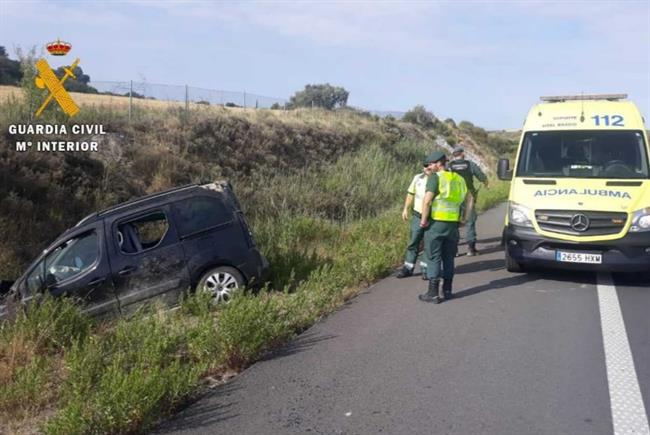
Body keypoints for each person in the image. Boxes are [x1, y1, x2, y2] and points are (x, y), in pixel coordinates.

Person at [419, 151, 467, 303]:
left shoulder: (435, 178)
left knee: (434, 257)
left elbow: (427, 201)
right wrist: (462, 219)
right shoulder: (458, 179)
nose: (429, 166)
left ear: (439, 163)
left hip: (436, 224)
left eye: (432, 164)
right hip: (452, 225)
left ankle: (432, 293)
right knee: (448, 258)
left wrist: (423, 220)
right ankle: (447, 291)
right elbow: (466, 201)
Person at [396, 157, 435, 279]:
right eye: (425, 165)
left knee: (429, 243)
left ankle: (425, 269)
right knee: (413, 241)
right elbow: (410, 194)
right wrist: (405, 208)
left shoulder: (438, 179)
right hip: (417, 215)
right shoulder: (417, 178)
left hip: (433, 216)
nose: (427, 168)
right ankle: (408, 268)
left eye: (429, 165)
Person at [448, 145, 488, 256]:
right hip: (468, 196)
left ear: (454, 155)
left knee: (453, 223)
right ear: (462, 154)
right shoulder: (470, 164)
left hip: (452, 198)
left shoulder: (449, 166)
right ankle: (471, 249)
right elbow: (481, 177)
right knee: (470, 222)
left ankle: (454, 250)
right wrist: (485, 183)